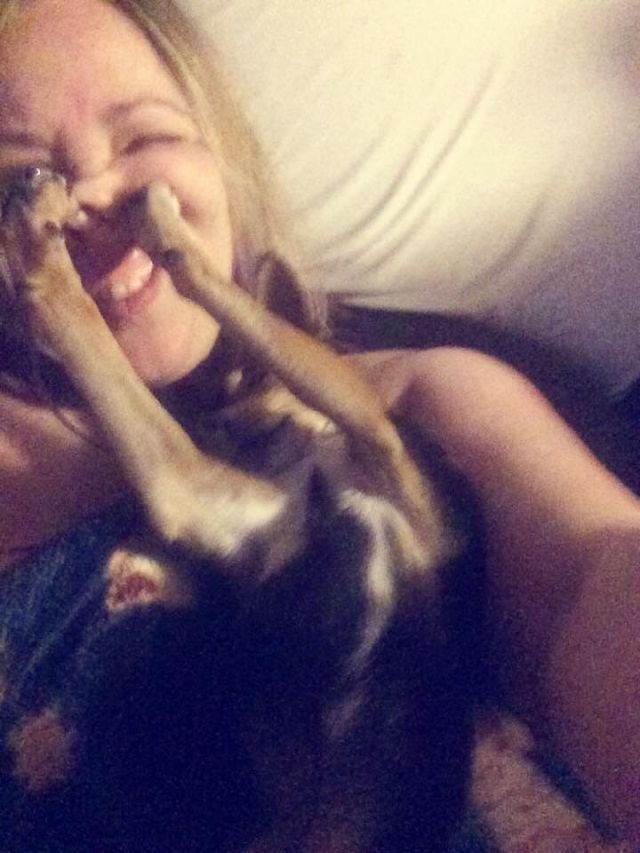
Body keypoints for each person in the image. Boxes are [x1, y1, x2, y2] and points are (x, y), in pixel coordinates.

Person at [0, 0, 637, 849]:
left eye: (144, 138)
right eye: (19, 180)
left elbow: (587, 576)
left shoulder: (424, 403)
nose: (89, 196)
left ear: (224, 159)